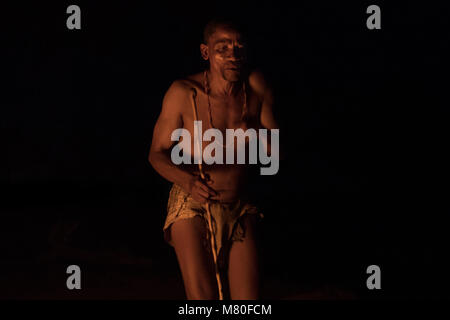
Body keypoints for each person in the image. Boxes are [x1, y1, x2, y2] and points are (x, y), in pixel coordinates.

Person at [149, 18, 279, 300]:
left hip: (240, 203)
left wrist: (255, 132)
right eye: (223, 48)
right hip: (193, 202)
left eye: (239, 47)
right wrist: (188, 181)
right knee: (204, 301)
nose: (233, 55)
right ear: (206, 52)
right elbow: (155, 154)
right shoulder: (184, 93)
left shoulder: (256, 87)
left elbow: (276, 154)